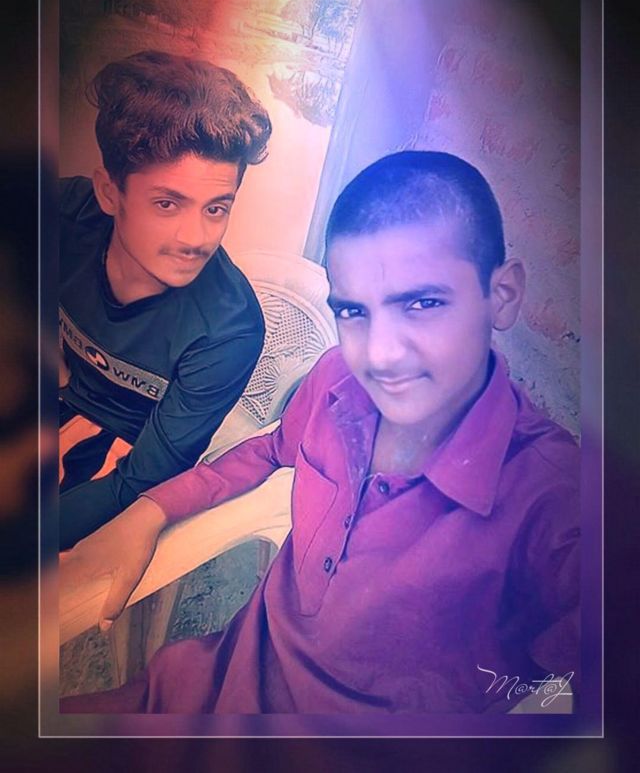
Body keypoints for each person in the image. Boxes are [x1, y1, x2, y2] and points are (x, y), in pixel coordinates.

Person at [60, 151, 579, 714]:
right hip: (203, 688)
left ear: (502, 295)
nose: (381, 355)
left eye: (422, 303)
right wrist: (151, 509)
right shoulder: (337, 380)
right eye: (354, 311)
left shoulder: (560, 505)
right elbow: (269, 450)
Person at [58, 50, 272, 550]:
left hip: (116, 460)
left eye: (216, 209)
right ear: (109, 193)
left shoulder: (229, 330)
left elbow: (141, 482)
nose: (195, 238)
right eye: (167, 203)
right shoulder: (63, 213)